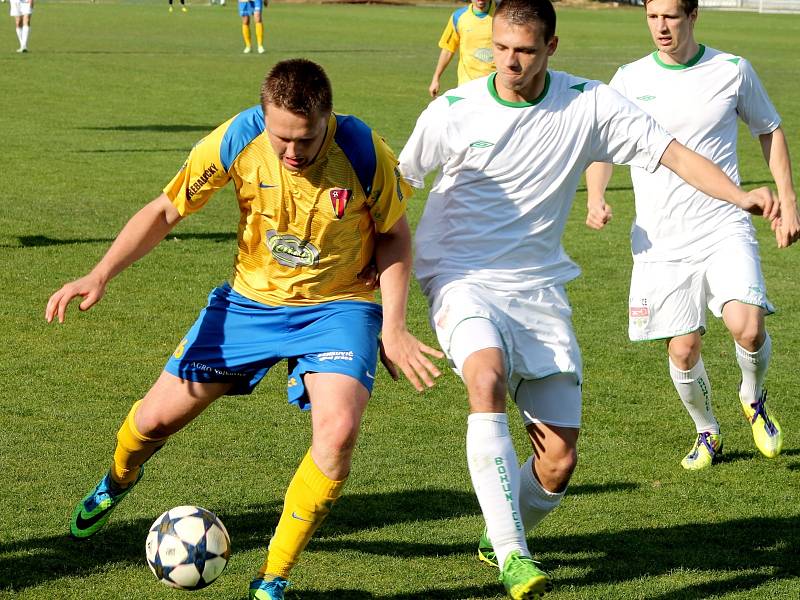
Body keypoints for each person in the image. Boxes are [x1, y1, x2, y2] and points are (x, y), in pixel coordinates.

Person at [399, 0, 777, 596]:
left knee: (557, 464)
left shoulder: (589, 102)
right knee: (486, 377)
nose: (509, 63)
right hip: (459, 274)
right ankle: (512, 556)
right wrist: (375, 296)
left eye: (524, 51)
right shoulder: (454, 111)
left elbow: (673, 154)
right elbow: (397, 186)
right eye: (499, 49)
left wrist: (740, 196)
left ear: (552, 47)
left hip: (539, 288)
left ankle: (502, 525)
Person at [46, 58, 442, 600]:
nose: (293, 153)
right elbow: (167, 210)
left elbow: (395, 235)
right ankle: (117, 479)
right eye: (282, 138)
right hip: (248, 305)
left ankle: (273, 577)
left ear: (329, 116)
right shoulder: (238, 138)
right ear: (264, 116)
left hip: (338, 307)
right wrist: (99, 273)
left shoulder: (362, 149)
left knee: (338, 433)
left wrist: (393, 326)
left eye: (305, 139)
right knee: (153, 422)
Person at [584, 0, 799, 471]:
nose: (660, 27)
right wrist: (595, 196)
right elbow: (602, 144)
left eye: (671, 17)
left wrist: (788, 198)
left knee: (748, 324)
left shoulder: (731, 70)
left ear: (693, 15)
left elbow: (770, 128)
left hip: (724, 224)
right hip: (659, 239)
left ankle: (754, 397)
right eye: (652, 17)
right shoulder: (630, 79)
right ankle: (707, 430)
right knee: (683, 349)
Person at [428, 0, 496, 98]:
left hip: (496, 86)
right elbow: (448, 49)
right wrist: (436, 78)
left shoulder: (504, 15)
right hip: (467, 85)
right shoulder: (458, 17)